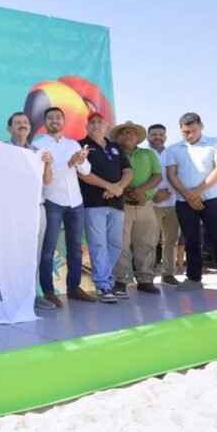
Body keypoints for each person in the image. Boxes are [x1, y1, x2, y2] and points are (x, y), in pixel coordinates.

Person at [35, 107, 94, 307]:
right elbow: (45, 178)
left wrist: (82, 159)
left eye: (58, 118)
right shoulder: (38, 145)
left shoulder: (73, 144)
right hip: (53, 201)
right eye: (50, 118)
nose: (55, 121)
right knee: (47, 248)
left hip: (75, 201)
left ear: (63, 121)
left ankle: (74, 288)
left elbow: (85, 172)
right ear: (45, 122)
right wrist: (69, 163)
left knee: (75, 248)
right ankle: (48, 291)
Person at [77, 112, 133, 303]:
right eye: (92, 122)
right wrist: (109, 186)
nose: (96, 125)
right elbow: (83, 174)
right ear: (87, 126)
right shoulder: (81, 146)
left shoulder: (115, 147)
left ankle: (107, 281)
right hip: (93, 203)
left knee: (115, 244)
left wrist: (119, 188)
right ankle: (102, 285)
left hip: (117, 204)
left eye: (100, 122)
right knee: (98, 244)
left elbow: (128, 171)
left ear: (106, 125)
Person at [166, 113, 217, 294]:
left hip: (212, 199)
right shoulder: (174, 149)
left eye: (193, 131)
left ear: (202, 126)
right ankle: (193, 278)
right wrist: (188, 195)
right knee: (191, 241)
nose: (189, 135)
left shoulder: (215, 143)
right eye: (185, 132)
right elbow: (171, 174)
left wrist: (196, 192)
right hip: (184, 202)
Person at [5, 112, 56, 310]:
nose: (22, 125)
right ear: (9, 128)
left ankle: (32, 294)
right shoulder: (3, 149)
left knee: (33, 255)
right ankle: (10, 295)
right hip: (12, 210)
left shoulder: (38, 152)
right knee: (10, 253)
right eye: (17, 123)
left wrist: (48, 165)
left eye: (25, 122)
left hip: (37, 208)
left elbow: (47, 181)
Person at [111, 121, 162, 294]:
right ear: (118, 137)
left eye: (131, 133)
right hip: (121, 205)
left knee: (146, 244)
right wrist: (130, 192)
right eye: (124, 133)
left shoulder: (148, 153)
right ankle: (120, 280)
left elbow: (157, 176)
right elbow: (110, 176)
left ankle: (145, 279)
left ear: (137, 137)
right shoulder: (113, 153)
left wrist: (140, 192)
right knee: (121, 245)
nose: (128, 135)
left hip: (145, 205)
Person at [147, 124, 181, 286]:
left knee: (171, 240)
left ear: (166, 137)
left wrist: (168, 192)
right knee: (148, 241)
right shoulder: (144, 154)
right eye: (154, 134)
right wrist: (153, 194)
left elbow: (179, 174)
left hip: (172, 202)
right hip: (149, 203)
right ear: (148, 137)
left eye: (161, 134)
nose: (157, 137)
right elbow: (140, 176)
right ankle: (146, 275)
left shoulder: (173, 153)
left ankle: (168, 274)